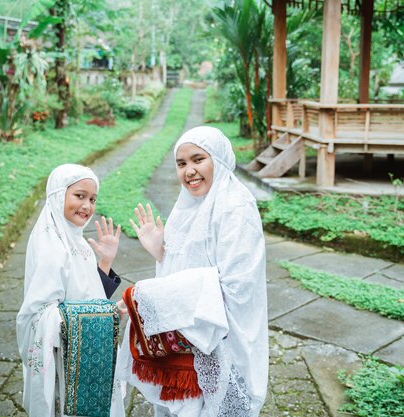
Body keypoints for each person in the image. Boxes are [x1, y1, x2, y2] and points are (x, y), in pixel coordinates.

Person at [116, 126, 269, 417]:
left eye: (198, 159)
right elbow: (183, 267)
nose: (189, 171)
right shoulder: (186, 207)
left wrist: (146, 296)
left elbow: (236, 285)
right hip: (188, 337)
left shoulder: (235, 207)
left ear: (219, 159)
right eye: (181, 163)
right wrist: (161, 252)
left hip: (220, 336)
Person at [16, 163, 125, 417]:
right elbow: (39, 314)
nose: (87, 206)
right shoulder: (50, 248)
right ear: (57, 196)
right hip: (63, 361)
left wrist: (105, 263)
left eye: (93, 199)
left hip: (85, 354)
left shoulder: (78, 242)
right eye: (79, 196)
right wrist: (100, 315)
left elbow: (87, 294)